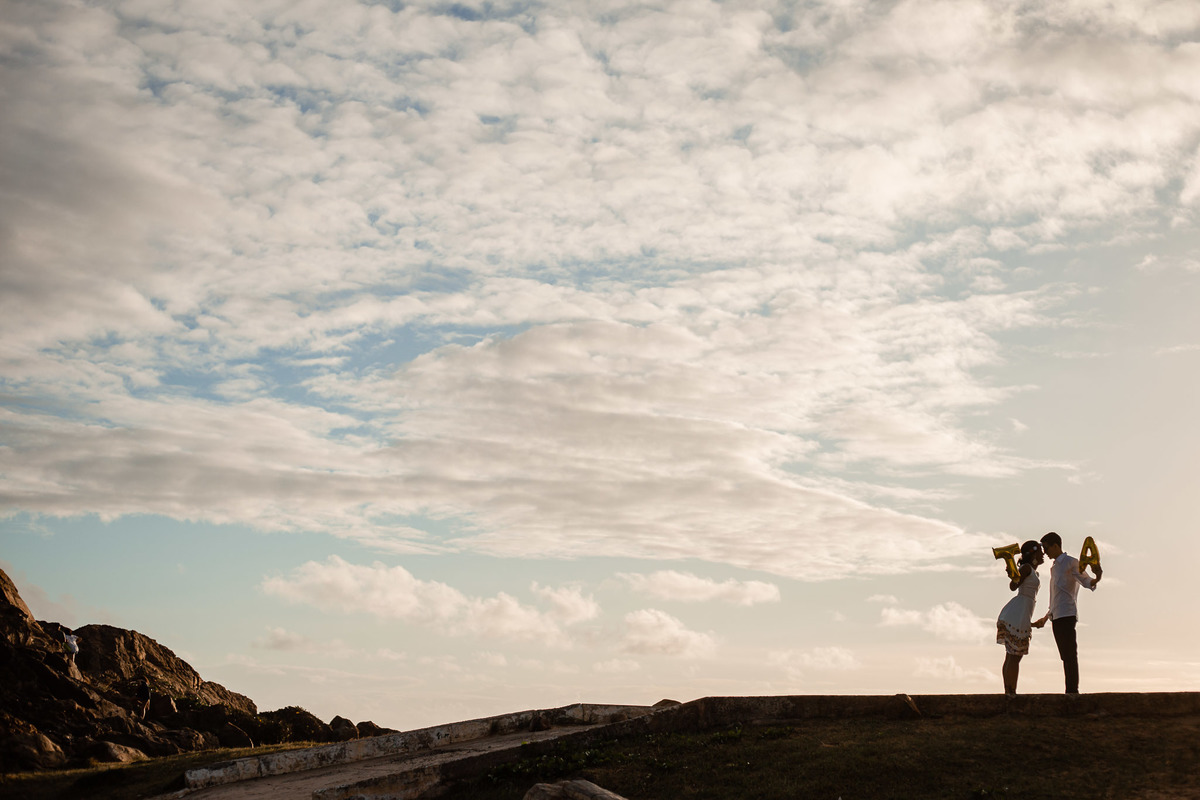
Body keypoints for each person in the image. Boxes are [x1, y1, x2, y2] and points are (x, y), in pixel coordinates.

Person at [1040, 531, 1102, 695]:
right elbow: (1055, 595)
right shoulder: (1054, 568)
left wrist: (1098, 576)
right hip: (1056, 616)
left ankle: (1072, 691)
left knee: (1069, 654)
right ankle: (1070, 690)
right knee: (1064, 655)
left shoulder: (1070, 563)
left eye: (1046, 548)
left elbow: (1087, 581)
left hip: (1067, 614)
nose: (1044, 552)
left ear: (1055, 545)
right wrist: (1046, 617)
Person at [996, 540, 1045, 697]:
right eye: (1040, 552)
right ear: (1033, 553)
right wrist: (1013, 573)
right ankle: (1011, 692)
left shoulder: (1032, 571)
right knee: (1014, 656)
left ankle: (1009, 690)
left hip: (1023, 611)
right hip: (1019, 610)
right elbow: (1013, 586)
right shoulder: (1026, 568)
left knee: (1012, 655)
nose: (1043, 555)